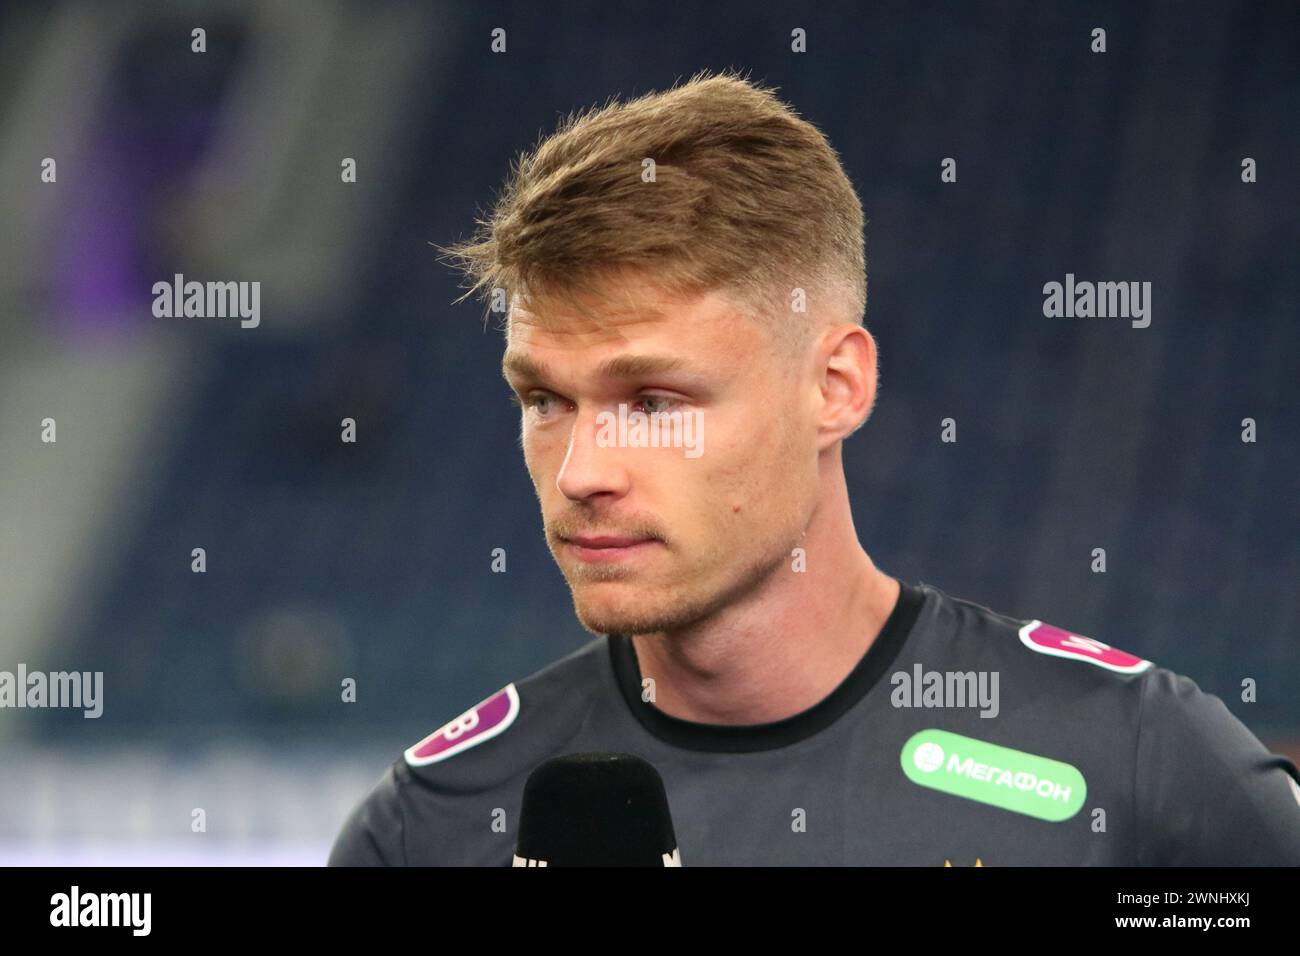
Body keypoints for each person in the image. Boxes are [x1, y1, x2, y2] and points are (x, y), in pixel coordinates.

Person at [329, 70, 1300, 866]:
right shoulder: (428, 826)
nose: (581, 469)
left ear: (834, 385)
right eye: (544, 401)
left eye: (656, 402)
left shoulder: (1144, 771)